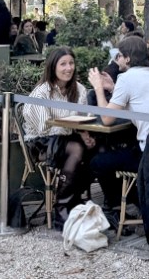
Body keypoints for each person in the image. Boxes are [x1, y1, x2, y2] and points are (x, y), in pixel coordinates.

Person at [87, 36, 149, 214]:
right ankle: (136, 200)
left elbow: (106, 119)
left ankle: (120, 205)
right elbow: (136, 96)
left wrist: (98, 88)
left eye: (119, 55)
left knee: (98, 162)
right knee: (124, 147)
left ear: (127, 58)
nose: (116, 60)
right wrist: (113, 88)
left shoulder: (127, 78)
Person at [22, 47, 95, 209]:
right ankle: (62, 205)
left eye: (71, 63)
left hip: (67, 137)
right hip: (40, 143)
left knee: (98, 148)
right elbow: (44, 128)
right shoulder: (42, 93)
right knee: (76, 148)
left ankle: (78, 199)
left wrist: (84, 134)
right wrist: (71, 129)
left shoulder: (79, 89)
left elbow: (82, 119)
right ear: (53, 67)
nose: (68, 68)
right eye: (63, 64)